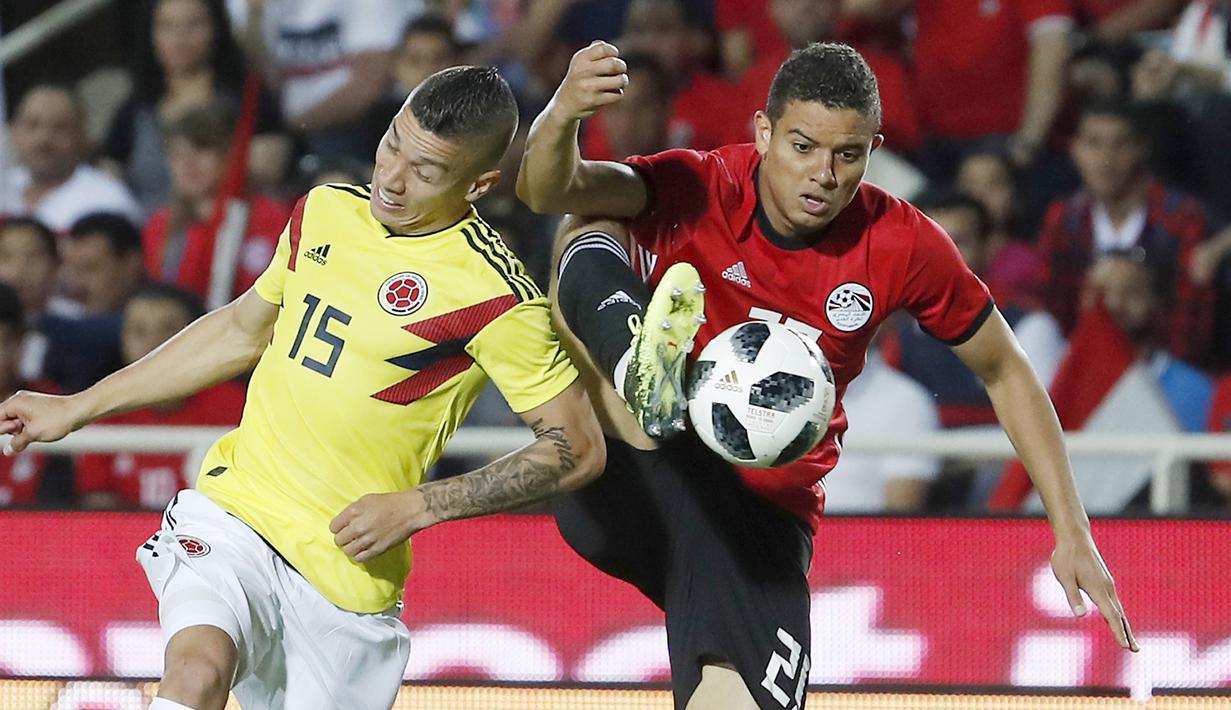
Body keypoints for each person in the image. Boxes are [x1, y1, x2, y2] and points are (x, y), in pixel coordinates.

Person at [518, 40, 1137, 708]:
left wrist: (1072, 530)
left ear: (873, 151)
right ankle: (639, 371)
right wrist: (563, 112)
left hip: (758, 519)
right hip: (632, 471)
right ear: (764, 133)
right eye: (803, 147)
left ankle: (651, 386)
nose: (823, 174)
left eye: (847, 155)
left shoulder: (901, 242)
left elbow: (1005, 370)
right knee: (590, 220)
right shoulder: (701, 185)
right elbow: (546, 188)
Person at [0, 66, 604, 710]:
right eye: (393, 144)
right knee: (196, 674)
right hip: (238, 513)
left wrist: (422, 506)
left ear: (478, 184)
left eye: (427, 171)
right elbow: (239, 331)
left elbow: (577, 447)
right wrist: (77, 407)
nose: (393, 178)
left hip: (345, 580)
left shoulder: (497, 297)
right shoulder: (324, 211)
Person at [1036, 100, 1215, 367]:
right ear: (1074, 149)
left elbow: (1190, 324)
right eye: (1093, 143)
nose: (1105, 159)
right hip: (1085, 366)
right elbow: (1054, 309)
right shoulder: (1064, 218)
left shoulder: (1182, 218)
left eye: (1119, 145)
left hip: (1161, 369)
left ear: (1141, 149)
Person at [101, 0, 290, 213]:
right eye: (167, 26)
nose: (180, 38)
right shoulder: (132, 111)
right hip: (153, 230)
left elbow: (267, 171)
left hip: (234, 223)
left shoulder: (250, 98)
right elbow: (107, 183)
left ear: (216, 28)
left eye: (193, 24)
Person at [75, 285, 245, 510]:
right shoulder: (104, 405)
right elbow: (98, 504)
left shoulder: (235, 405)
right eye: (139, 331)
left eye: (168, 330)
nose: (153, 343)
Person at [142, 103, 290, 301]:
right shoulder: (160, 225)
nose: (187, 163)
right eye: (177, 155)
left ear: (230, 153)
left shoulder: (271, 217)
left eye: (201, 149)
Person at [1, 85, 141, 231]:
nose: (43, 139)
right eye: (32, 125)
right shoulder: (5, 185)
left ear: (82, 134)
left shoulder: (107, 200)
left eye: (59, 128)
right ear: (13, 131)